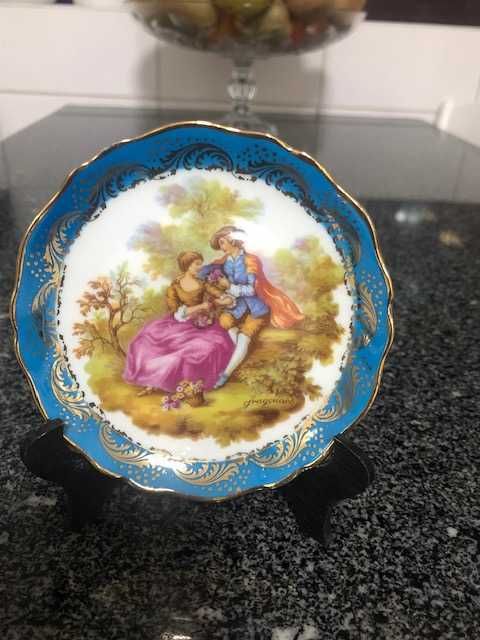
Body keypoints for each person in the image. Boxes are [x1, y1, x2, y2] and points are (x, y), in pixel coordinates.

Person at [199, 226, 304, 389]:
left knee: (244, 337)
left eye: (222, 242)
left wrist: (229, 286)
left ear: (233, 240)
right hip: (235, 307)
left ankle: (225, 374)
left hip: (256, 308)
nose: (221, 247)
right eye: (219, 243)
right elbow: (203, 273)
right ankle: (241, 355)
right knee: (225, 322)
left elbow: (251, 289)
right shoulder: (224, 261)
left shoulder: (251, 261)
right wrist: (212, 281)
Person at [123, 251, 234, 395]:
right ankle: (152, 381)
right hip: (178, 322)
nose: (200, 267)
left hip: (202, 325)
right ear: (187, 265)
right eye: (197, 264)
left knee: (201, 349)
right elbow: (175, 311)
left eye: (200, 264)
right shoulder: (174, 286)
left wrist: (222, 300)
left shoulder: (203, 283)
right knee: (144, 342)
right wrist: (201, 306)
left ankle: (176, 384)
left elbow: (223, 297)